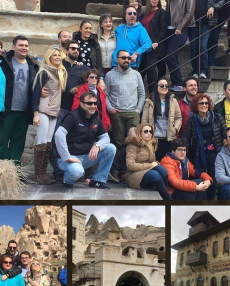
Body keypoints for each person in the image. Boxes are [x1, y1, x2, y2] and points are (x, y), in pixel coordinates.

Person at [55, 92, 116, 189]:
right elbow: (59, 134)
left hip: (86, 157)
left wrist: (97, 145)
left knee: (111, 148)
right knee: (77, 172)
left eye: (95, 103)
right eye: (89, 103)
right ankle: (67, 180)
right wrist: (66, 157)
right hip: (70, 158)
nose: (93, 106)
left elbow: (105, 138)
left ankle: (98, 180)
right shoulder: (72, 117)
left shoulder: (95, 118)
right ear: (81, 104)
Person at [50, 39, 91, 183]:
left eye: (77, 49)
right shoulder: (59, 65)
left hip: (75, 111)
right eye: (73, 48)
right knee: (56, 140)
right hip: (59, 108)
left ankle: (72, 169)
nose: (75, 51)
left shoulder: (83, 68)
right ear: (66, 50)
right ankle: (57, 172)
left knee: (70, 140)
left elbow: (95, 76)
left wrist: (102, 80)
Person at [0, 35, 39, 165]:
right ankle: (2, 170)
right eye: (21, 45)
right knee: (2, 141)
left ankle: (14, 170)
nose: (24, 48)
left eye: (26, 46)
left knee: (18, 143)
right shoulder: (3, 61)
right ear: (13, 46)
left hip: (24, 111)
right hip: (7, 109)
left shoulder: (33, 66)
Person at [105, 50, 145, 179]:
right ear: (117, 59)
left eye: (128, 58)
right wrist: (110, 108)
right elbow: (105, 94)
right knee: (119, 142)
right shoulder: (110, 75)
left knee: (132, 142)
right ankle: (116, 170)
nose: (127, 60)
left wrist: (138, 110)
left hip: (133, 113)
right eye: (123, 58)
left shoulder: (136, 74)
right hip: (117, 113)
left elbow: (142, 94)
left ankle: (125, 169)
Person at [32, 48, 68, 185]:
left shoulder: (61, 72)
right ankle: (39, 175)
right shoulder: (43, 73)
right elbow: (36, 93)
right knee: (41, 142)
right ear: (49, 57)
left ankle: (43, 173)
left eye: (59, 55)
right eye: (55, 55)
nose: (58, 57)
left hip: (54, 111)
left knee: (48, 143)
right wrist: (35, 113)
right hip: (43, 110)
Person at [182, 94, 226, 199]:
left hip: (215, 153)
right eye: (201, 103)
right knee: (201, 177)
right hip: (198, 154)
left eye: (206, 103)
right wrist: (181, 151)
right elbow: (186, 137)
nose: (204, 105)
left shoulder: (217, 117)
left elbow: (225, 132)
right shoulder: (192, 120)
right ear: (196, 106)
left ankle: (211, 200)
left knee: (213, 178)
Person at [124, 123, 172, 199]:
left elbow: (153, 162)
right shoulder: (132, 145)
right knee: (154, 174)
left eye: (151, 132)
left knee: (162, 169)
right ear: (139, 133)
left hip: (146, 172)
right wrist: (150, 166)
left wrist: (156, 163)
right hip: (133, 175)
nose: (149, 134)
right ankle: (168, 199)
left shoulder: (151, 144)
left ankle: (165, 192)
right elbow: (130, 165)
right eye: (146, 131)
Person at [141, 78, 182, 161]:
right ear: (156, 87)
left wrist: (175, 129)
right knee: (155, 161)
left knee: (167, 163)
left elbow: (178, 118)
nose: (164, 87)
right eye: (162, 85)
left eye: (166, 86)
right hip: (154, 138)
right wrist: (147, 132)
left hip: (169, 138)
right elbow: (144, 120)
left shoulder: (173, 100)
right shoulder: (149, 101)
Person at [165, 0, 195, 90]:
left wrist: (180, 27)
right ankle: (175, 83)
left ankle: (178, 83)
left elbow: (189, 12)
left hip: (181, 29)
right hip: (169, 29)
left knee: (170, 55)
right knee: (173, 55)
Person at [138, 0, 167, 93]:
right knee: (141, 69)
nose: (154, 0)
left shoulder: (161, 12)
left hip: (155, 46)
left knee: (150, 68)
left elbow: (163, 28)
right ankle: (138, 93)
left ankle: (153, 94)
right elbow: (137, 23)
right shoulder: (144, 13)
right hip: (144, 46)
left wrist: (157, 41)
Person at [188, 0, 210, 79]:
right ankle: (195, 71)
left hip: (206, 23)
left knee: (202, 45)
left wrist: (213, 7)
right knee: (193, 47)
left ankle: (203, 71)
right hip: (192, 23)